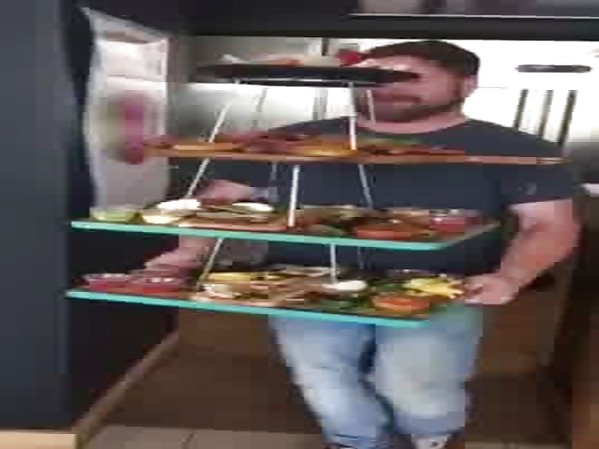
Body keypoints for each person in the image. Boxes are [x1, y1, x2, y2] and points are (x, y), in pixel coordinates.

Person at [145, 40, 580, 449]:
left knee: (414, 386)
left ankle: (433, 439)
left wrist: (511, 276)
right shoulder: (290, 140)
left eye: (408, 76)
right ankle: (355, 441)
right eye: (373, 75)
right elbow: (215, 202)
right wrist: (189, 251)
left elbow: (549, 224)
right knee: (321, 377)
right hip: (301, 285)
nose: (385, 86)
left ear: (466, 85)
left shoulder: (515, 148)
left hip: (442, 288)